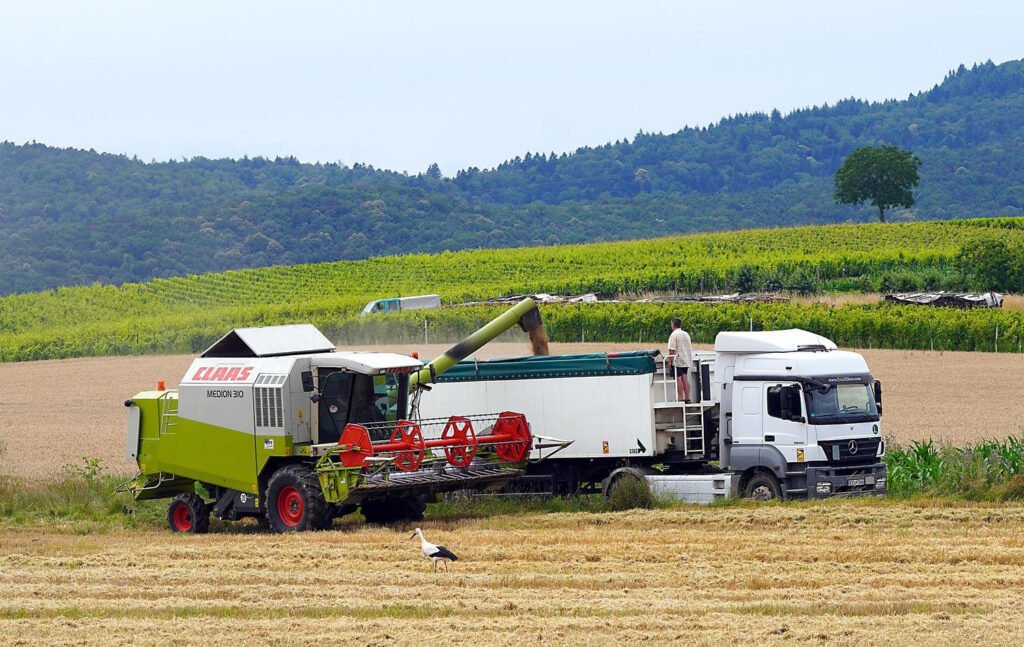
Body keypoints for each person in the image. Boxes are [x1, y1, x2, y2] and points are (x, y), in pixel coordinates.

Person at [667, 317, 693, 403]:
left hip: (678, 360)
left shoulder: (674, 335)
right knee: (685, 377)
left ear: (673, 324)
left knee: (678, 378)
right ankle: (688, 398)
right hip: (686, 359)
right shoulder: (686, 334)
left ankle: (680, 398)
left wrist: (670, 361)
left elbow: (672, 350)